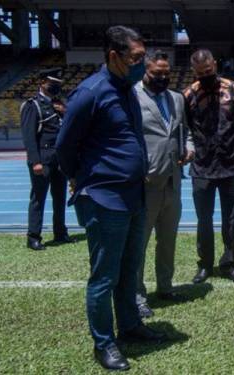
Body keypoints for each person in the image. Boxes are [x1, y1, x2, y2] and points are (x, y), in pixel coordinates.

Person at [56, 26, 166, 371]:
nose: (141, 64)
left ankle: (130, 326)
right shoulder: (90, 93)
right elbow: (64, 148)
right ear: (114, 56)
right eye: (136, 58)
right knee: (104, 276)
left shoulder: (128, 89)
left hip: (134, 195)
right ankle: (104, 343)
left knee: (129, 270)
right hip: (104, 199)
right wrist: (83, 179)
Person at [133, 50, 195, 319]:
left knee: (167, 240)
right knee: (139, 243)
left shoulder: (177, 98)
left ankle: (165, 286)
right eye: (156, 73)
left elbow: (185, 129)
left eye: (166, 74)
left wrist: (189, 146)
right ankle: (136, 295)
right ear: (144, 71)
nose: (162, 78)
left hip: (173, 179)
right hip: (145, 183)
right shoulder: (130, 96)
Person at [183, 49, 234, 285]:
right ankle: (205, 265)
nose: (206, 75)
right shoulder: (188, 95)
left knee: (231, 219)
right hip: (201, 167)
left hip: (230, 165)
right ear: (194, 71)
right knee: (204, 219)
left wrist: (230, 143)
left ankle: (230, 263)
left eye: (209, 71)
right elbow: (187, 127)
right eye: (201, 73)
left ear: (215, 64)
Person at [20, 68, 74, 250]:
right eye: (53, 84)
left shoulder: (60, 104)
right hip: (42, 159)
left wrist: (65, 112)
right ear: (42, 82)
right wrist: (35, 161)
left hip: (59, 159)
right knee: (38, 198)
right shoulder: (32, 105)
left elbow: (68, 129)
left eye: (58, 84)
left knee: (59, 197)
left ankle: (60, 232)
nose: (56, 87)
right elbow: (29, 137)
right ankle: (33, 236)